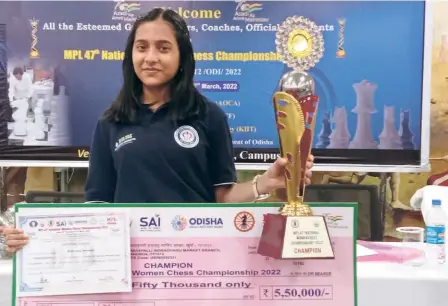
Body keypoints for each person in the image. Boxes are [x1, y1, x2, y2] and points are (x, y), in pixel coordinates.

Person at [1, 8, 314, 253]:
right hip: (129, 263)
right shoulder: (110, 122)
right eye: (141, 47)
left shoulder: (209, 116)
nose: (150, 58)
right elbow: (97, 210)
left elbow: (223, 196)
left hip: (200, 257)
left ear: (182, 58)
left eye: (163, 48)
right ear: (131, 55)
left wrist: (265, 183)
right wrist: (37, 235)